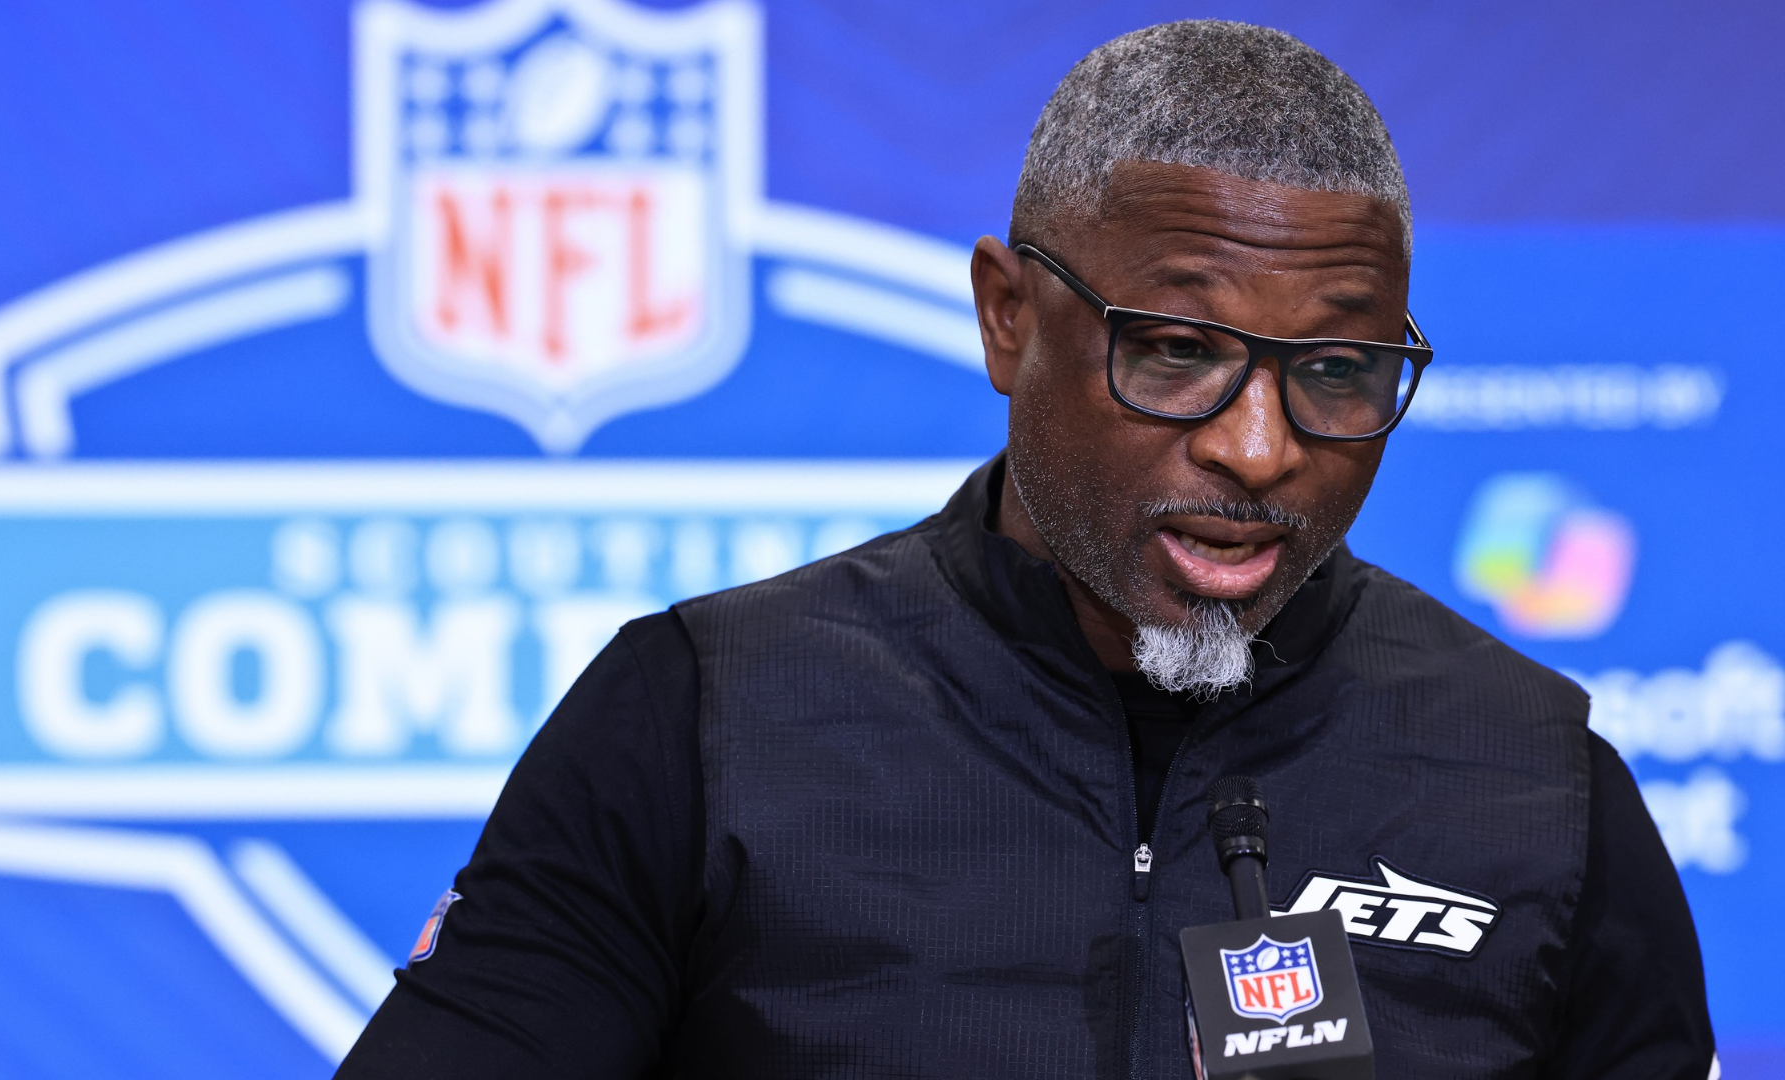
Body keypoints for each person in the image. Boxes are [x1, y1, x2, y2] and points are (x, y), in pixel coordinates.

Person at [338, 21, 1714, 1079]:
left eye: (1338, 370)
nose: (1258, 447)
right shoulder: (703, 717)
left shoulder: (1533, 777)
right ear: (1009, 317)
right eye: (1177, 352)